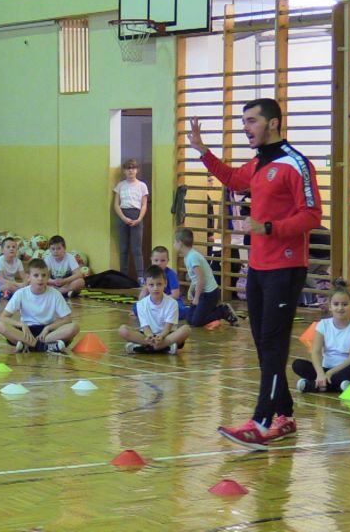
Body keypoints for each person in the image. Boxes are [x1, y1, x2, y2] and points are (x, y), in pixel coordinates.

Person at [189, 98, 322, 450]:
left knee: (274, 344)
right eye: (243, 120)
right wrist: (203, 151)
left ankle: (261, 422)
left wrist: (269, 227)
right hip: (259, 269)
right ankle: (285, 415)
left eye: (251, 120)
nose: (245, 127)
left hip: (286, 268)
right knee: (264, 344)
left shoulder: (295, 164)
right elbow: (234, 180)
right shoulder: (260, 163)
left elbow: (312, 216)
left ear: (273, 123)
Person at [292, 279, 350, 393]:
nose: (340, 308)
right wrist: (320, 373)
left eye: (345, 304)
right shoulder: (323, 325)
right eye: (336, 304)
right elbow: (316, 352)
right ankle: (339, 385)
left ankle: (314, 386)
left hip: (343, 370)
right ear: (330, 306)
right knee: (298, 365)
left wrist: (330, 373)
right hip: (324, 369)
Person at [0, 258, 80, 352]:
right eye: (36, 275)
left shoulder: (55, 294)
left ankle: (28, 345)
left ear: (48, 277)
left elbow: (67, 319)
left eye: (43, 275)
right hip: (26, 331)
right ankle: (43, 346)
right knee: (0, 326)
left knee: (74, 327)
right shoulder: (21, 293)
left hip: (47, 333)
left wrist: (48, 328)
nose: (40, 279)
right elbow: (3, 317)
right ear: (29, 277)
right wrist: (22, 325)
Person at [119, 265, 191, 354]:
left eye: (159, 284)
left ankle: (146, 347)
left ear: (165, 283)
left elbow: (168, 327)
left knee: (186, 329)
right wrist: (150, 336)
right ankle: (164, 347)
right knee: (123, 330)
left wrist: (161, 336)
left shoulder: (172, 303)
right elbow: (145, 327)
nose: (155, 288)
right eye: (151, 285)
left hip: (166, 335)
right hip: (148, 335)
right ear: (146, 285)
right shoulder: (141, 304)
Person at [174, 228, 237, 327]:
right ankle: (208, 310)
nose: (174, 245)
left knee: (196, 322)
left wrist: (196, 298)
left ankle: (222, 311)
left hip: (209, 294)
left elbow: (201, 279)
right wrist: (190, 290)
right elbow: (195, 278)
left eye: (175, 242)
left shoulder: (192, 257)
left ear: (180, 243)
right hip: (202, 293)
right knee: (189, 319)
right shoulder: (187, 257)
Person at [113, 158, 149, 282]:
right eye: (128, 168)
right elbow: (116, 205)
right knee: (123, 248)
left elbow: (144, 205)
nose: (130, 171)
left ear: (137, 170)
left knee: (136, 249)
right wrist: (123, 218)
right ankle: (123, 275)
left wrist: (139, 219)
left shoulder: (142, 185)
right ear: (124, 171)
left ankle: (140, 276)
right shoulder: (120, 185)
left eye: (133, 168)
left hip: (136, 215)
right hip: (123, 215)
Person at [134, 246, 185, 319]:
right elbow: (143, 293)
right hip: (154, 301)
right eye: (156, 260)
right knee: (136, 307)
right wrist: (141, 305)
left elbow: (175, 295)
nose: (159, 263)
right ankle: (159, 314)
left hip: (169, 301)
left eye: (162, 260)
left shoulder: (171, 274)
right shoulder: (149, 274)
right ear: (151, 260)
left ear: (167, 261)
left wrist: (161, 301)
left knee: (180, 310)